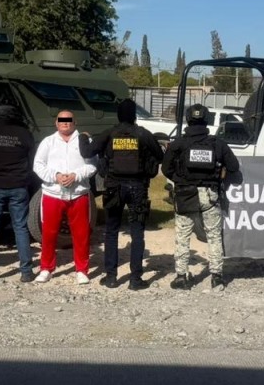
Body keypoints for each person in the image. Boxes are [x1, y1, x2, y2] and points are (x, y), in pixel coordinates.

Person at [79, 98, 163, 290]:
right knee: (137, 233)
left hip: (113, 188)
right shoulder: (143, 134)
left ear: (118, 115)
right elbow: (160, 156)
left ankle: (111, 277)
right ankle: (135, 279)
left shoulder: (109, 133)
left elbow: (87, 151)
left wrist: (83, 136)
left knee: (111, 231)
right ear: (134, 116)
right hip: (138, 188)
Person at [162, 103, 240, 291]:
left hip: (185, 194)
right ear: (206, 120)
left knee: (183, 237)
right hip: (210, 195)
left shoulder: (179, 144)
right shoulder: (217, 143)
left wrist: (180, 180)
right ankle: (217, 277)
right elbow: (234, 166)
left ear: (188, 120)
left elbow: (166, 169)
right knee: (214, 237)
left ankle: (181, 277)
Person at [32, 109, 98, 284]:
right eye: (61, 120)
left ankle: (82, 270)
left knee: (81, 234)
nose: (65, 123)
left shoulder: (85, 141)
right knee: (49, 233)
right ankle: (46, 268)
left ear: (75, 123)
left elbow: (93, 165)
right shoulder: (48, 142)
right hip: (52, 194)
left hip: (78, 194)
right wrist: (56, 176)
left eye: (69, 120)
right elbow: (38, 165)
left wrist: (76, 175)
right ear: (56, 123)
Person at [0, 104, 37, 283]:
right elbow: (32, 160)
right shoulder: (25, 134)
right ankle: (26, 272)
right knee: (20, 227)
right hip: (19, 186)